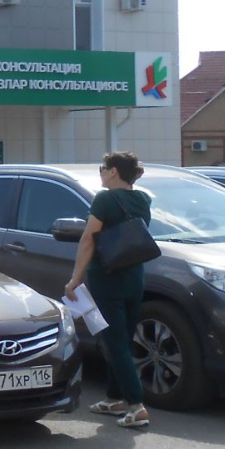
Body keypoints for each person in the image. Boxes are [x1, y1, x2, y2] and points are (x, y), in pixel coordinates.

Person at [65, 151, 153, 430]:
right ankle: (114, 399)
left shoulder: (104, 199)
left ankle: (136, 406)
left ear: (114, 171)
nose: (101, 173)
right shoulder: (143, 199)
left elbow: (89, 239)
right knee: (122, 339)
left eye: (103, 168)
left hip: (107, 278)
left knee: (114, 343)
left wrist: (75, 278)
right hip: (134, 277)